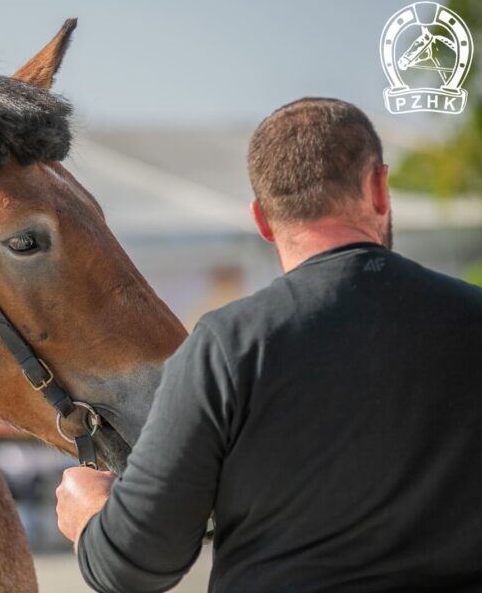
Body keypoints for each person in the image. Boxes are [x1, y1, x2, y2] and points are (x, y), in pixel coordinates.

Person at [55, 97, 482, 592]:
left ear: (261, 220)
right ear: (379, 189)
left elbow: (139, 561)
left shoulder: (228, 348)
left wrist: (91, 516)